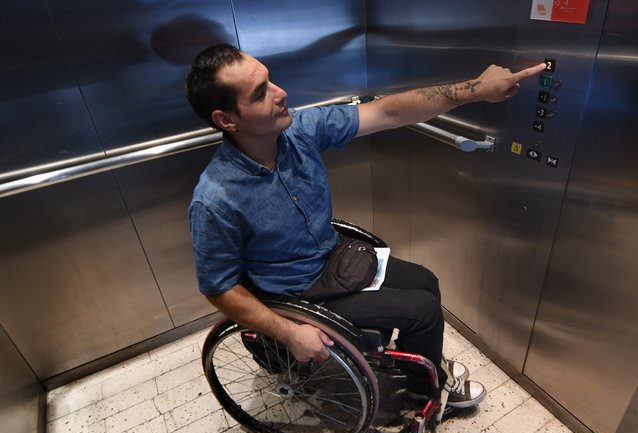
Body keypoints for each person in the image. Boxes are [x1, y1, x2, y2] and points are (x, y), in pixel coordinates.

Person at [185, 43, 545, 407]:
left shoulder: (299, 133)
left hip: (334, 259)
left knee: (425, 281)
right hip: (300, 294)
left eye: (271, 80)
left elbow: (388, 111)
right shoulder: (216, 199)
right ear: (227, 120)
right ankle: (421, 400)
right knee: (424, 312)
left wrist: (476, 90)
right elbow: (219, 288)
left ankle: (419, 366)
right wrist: (290, 332)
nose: (281, 93)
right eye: (260, 93)